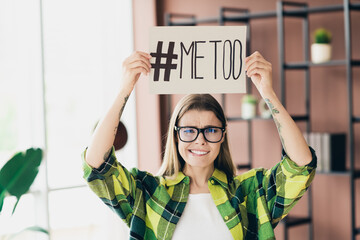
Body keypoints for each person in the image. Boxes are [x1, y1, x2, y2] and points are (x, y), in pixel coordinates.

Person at [82, 51, 316, 240]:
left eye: (211, 130)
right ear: (176, 136)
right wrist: (125, 88)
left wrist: (268, 93)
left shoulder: (250, 193)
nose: (200, 140)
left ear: (223, 135)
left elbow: (301, 166)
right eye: (189, 131)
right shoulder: (149, 193)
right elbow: (96, 166)